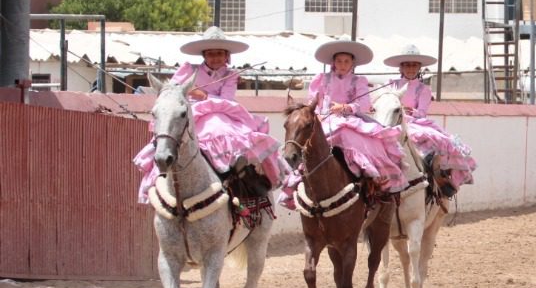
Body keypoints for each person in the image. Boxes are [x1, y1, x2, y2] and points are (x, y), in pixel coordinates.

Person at [133, 26, 288, 203]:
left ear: (227, 56)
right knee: (170, 135)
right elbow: (172, 91)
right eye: (211, 54)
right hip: (191, 112)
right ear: (204, 55)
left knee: (218, 125)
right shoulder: (189, 69)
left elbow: (227, 100)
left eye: (219, 54)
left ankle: (236, 172)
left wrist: (204, 96)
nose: (215, 58)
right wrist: (189, 95)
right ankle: (159, 182)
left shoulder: (230, 75)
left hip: (222, 111)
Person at [282, 39, 405, 207]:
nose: (342, 64)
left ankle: (369, 180)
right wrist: (317, 113)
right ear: (333, 62)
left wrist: (345, 107)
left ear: (352, 63)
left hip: (349, 120)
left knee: (353, 137)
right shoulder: (321, 78)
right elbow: (313, 100)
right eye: (339, 61)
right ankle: (298, 181)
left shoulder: (359, 81)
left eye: (346, 61)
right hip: (323, 120)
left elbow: (363, 104)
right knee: (304, 141)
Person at [381, 44, 476, 190]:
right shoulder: (390, 85)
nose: (410, 69)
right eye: (407, 65)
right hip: (391, 120)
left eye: (414, 65)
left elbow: (422, 112)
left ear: (419, 68)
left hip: (414, 122)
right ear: (400, 68)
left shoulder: (424, 89)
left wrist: (408, 111)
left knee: (436, 140)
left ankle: (436, 178)